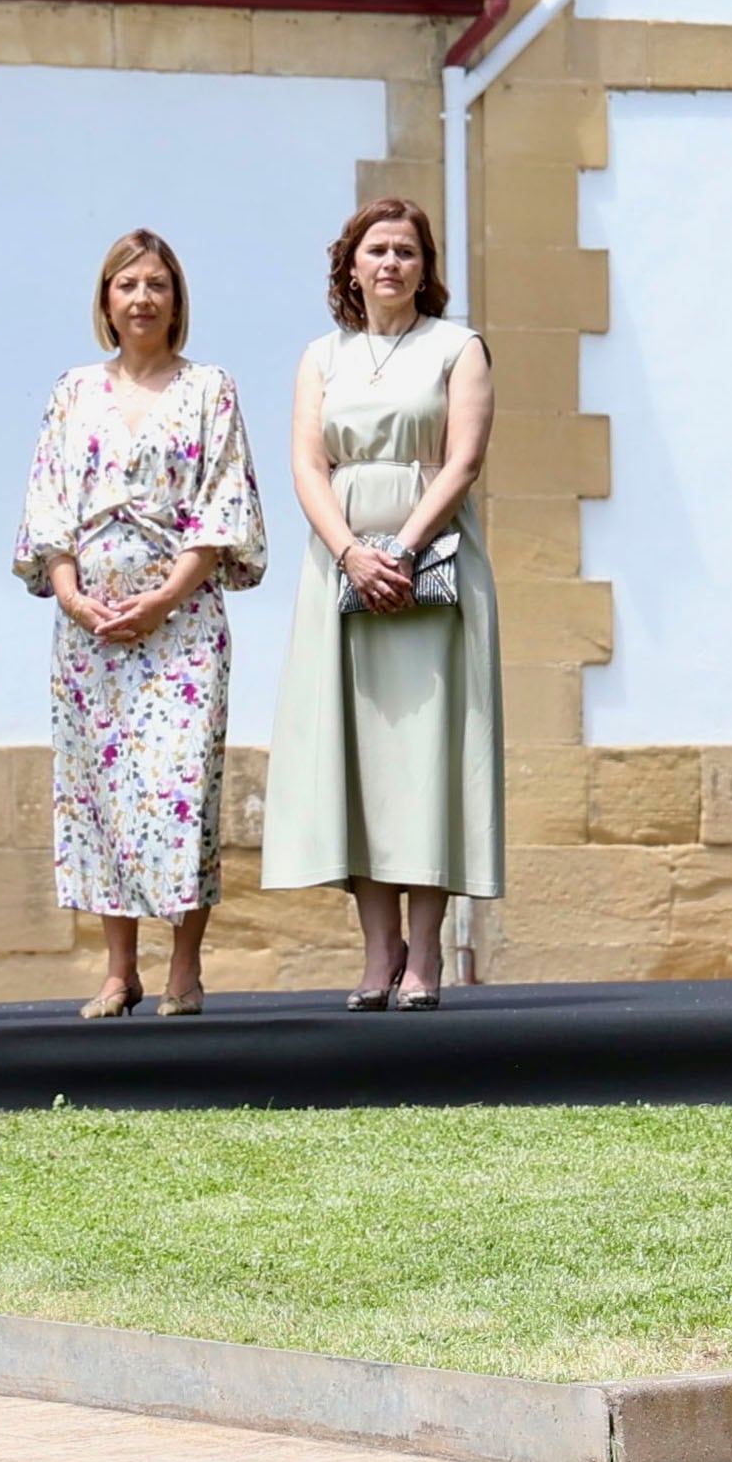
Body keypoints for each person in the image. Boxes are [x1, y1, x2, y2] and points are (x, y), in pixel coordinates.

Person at [13, 230, 266, 1018]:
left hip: (181, 622)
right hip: (89, 626)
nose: (142, 298)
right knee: (99, 794)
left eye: (157, 284)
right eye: (128, 284)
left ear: (176, 299)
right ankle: (119, 969)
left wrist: (161, 598)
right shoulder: (73, 390)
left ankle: (184, 968)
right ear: (106, 300)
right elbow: (48, 508)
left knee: (184, 786)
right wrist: (73, 595)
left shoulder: (209, 389)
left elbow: (225, 508)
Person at [266, 197, 502, 1007]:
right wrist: (350, 554)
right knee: (361, 761)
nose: (391, 263)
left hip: (429, 567)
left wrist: (398, 549)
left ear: (424, 267)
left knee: (425, 758)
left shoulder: (457, 347)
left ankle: (427, 952)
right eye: (377, 250)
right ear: (351, 265)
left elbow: (462, 460)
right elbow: (306, 465)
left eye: (406, 250)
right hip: (341, 568)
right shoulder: (320, 357)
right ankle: (377, 951)